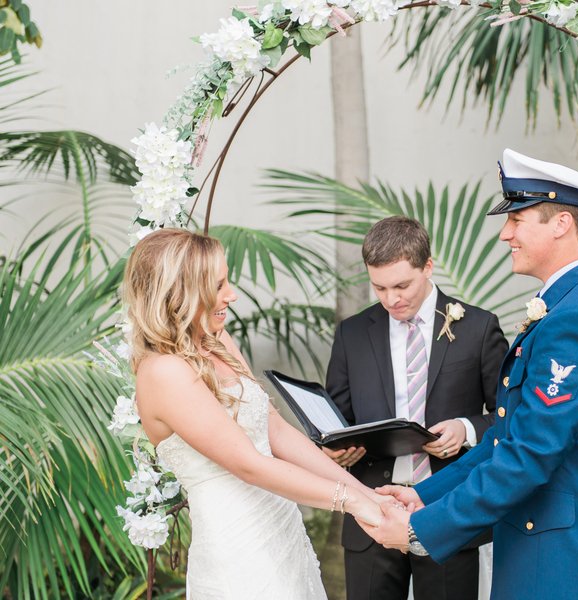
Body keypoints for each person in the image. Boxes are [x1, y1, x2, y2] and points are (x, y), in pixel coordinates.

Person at [360, 149, 578, 599]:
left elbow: (528, 455)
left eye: (517, 219)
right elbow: (505, 439)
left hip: (569, 563)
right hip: (544, 550)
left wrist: (420, 529)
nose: (504, 234)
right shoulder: (569, 306)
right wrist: (426, 496)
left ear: (561, 224)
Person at [125, 228, 386, 599]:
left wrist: (367, 494)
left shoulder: (216, 341)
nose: (231, 295)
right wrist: (351, 502)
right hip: (238, 550)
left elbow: (274, 430)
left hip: (281, 528)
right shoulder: (163, 371)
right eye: (218, 285)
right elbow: (249, 464)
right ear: (180, 293)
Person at [325, 216, 508, 600]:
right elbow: (336, 419)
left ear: (428, 266)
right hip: (372, 509)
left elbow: (511, 418)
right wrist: (335, 449)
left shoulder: (478, 327)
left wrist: (467, 428)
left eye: (402, 285)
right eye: (380, 288)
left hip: (448, 510)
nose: (392, 299)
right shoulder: (352, 333)